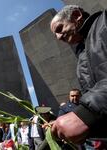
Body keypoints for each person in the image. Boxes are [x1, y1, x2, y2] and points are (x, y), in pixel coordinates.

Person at [50, 5, 107, 144]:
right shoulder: (82, 53)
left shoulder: (105, 23)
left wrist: (87, 114)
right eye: (55, 34)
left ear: (76, 16)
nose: (58, 37)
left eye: (59, 29)